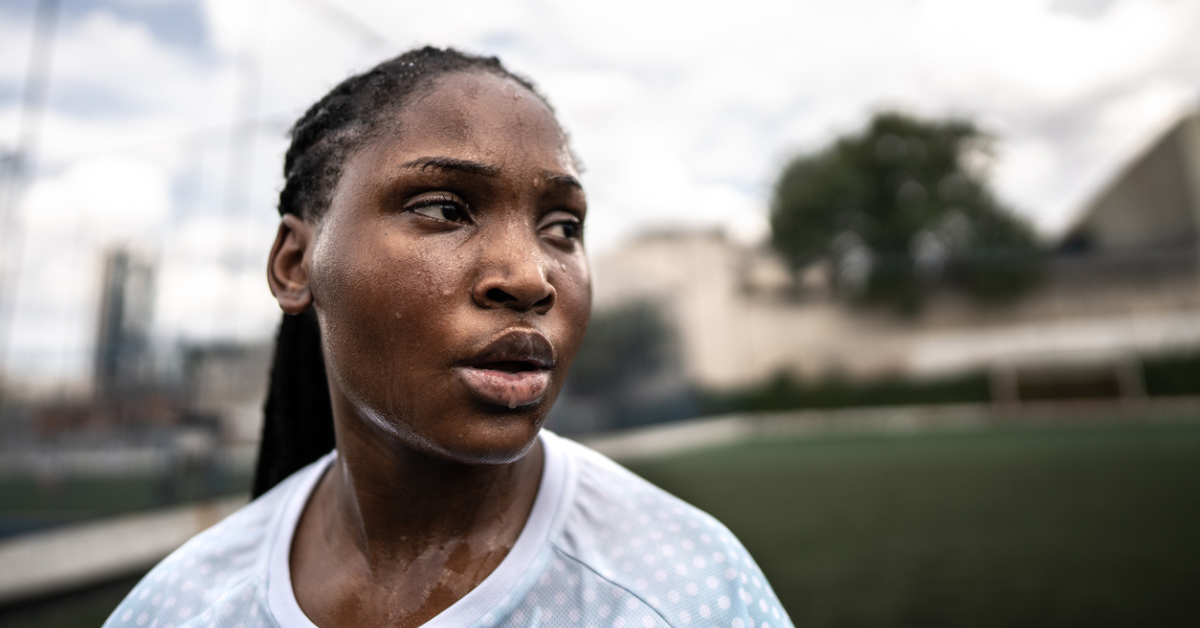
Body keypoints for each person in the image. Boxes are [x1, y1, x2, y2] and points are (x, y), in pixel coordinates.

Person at [104, 47, 792, 628]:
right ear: (295, 265)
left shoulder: (687, 593)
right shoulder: (181, 606)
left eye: (563, 227)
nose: (530, 277)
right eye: (444, 208)